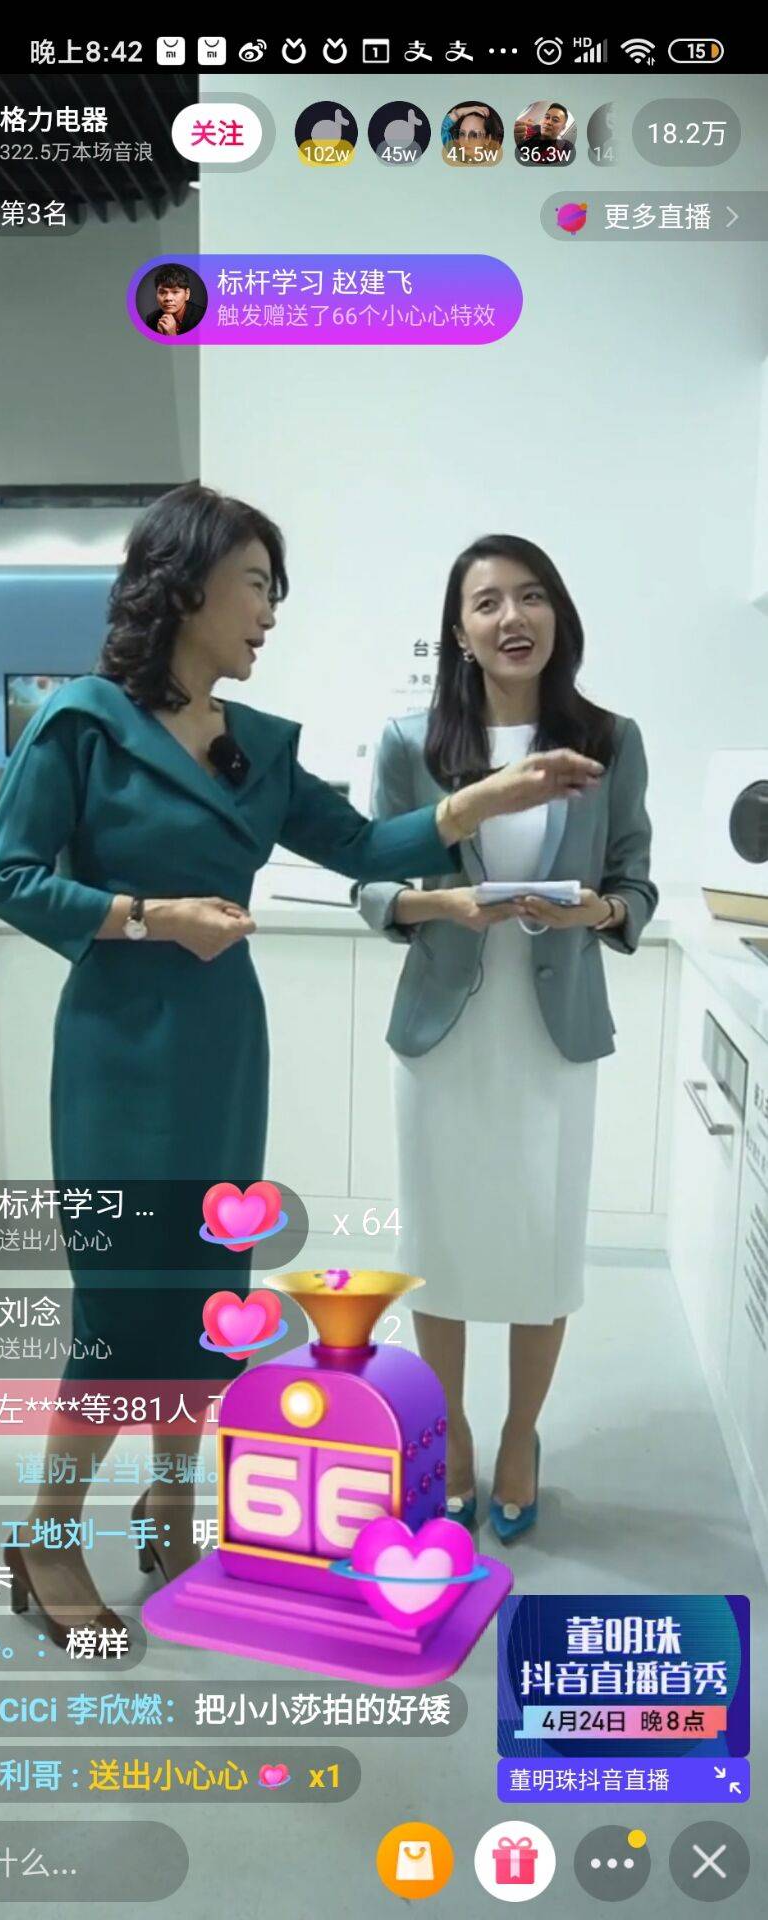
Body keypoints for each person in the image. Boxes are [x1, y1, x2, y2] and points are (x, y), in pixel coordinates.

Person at [0, 486, 602, 1646]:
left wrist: (481, 799)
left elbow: (361, 845)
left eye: (275, 591)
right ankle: (46, 1536)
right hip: (119, 1049)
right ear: (187, 585)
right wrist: (148, 916)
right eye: (257, 586)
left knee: (205, 1292)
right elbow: (8, 879)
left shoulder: (254, 746)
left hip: (224, 1047)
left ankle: (171, 1507)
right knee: (121, 1305)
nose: (269, 613)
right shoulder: (83, 723)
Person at [356, 534, 656, 1543]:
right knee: (439, 1247)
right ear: (459, 631)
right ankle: (451, 1438)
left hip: (551, 1038)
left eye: (531, 597)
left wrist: (599, 913)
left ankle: (521, 1434)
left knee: (540, 1244)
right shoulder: (410, 743)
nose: (511, 618)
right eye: (486, 602)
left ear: (558, 616)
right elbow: (370, 881)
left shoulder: (610, 740)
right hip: (443, 1037)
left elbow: (634, 876)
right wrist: (439, 905)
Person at [143, 265, 205, 336]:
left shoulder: (203, 317)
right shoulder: (151, 319)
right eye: (162, 292)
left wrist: (172, 336)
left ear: (187, 294)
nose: (168, 298)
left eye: (175, 292)